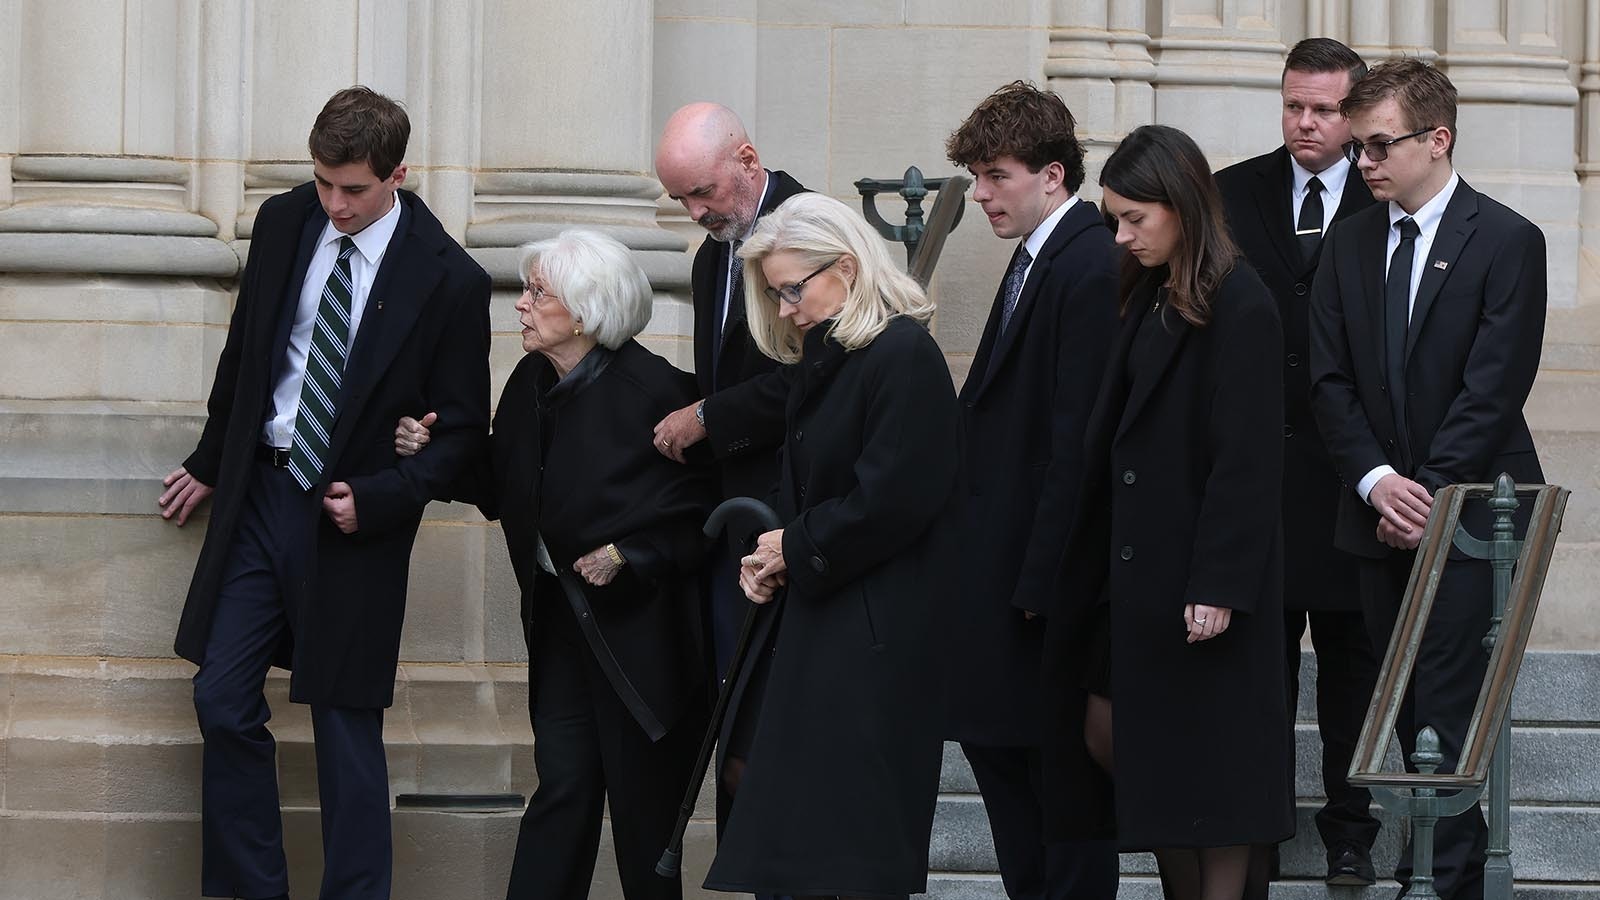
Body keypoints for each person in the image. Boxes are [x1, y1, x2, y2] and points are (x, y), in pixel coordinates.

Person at [157, 86, 491, 900]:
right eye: (323, 184)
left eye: (354, 190)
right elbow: (245, 357)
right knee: (220, 697)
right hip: (262, 497)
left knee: (346, 729)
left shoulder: (449, 280)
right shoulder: (283, 223)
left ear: (397, 176)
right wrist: (208, 460)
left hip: (350, 521)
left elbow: (460, 438)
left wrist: (378, 498)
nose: (335, 205)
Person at [395, 229, 716, 899]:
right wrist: (433, 450)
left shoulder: (654, 391)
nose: (521, 304)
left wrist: (631, 554)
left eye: (538, 292)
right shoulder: (531, 381)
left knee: (642, 817)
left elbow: (702, 515)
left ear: (586, 307)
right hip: (564, 625)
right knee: (564, 790)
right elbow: (502, 483)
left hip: (642, 644)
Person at [1309, 59, 1546, 899]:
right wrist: (1378, 482)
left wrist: (1427, 497)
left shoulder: (1509, 239)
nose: (1363, 162)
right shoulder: (1351, 238)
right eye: (1358, 147)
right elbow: (1328, 378)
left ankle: (1448, 882)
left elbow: (1494, 386)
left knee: (1448, 700)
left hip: (1477, 519)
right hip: (1377, 513)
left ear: (1436, 140)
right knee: (1398, 703)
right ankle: (1430, 868)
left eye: (1378, 146)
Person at [1040, 124, 1293, 900]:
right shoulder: (1147, 290)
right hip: (1139, 581)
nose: (1119, 235)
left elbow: (1245, 460)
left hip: (1199, 584)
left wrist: (1217, 584)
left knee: (1212, 777)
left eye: (1133, 219)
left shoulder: (1241, 301)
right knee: (1135, 751)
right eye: (1114, 218)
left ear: (1181, 207)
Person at [704, 193, 958, 900]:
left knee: (846, 846)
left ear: (845, 267)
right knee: (777, 809)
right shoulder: (833, 356)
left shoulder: (903, 355)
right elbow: (807, 488)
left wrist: (797, 545)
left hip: (873, 634)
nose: (784, 309)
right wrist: (769, 555)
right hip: (822, 616)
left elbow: (894, 499)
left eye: (791, 289)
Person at [941, 80, 1121, 899]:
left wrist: (1040, 588)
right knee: (1011, 784)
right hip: (999, 582)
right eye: (977, 177)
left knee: (1059, 804)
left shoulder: (1087, 261)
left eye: (996, 175)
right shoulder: (1036, 259)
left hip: (1038, 595)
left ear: (1052, 175)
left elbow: (1074, 443)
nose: (980, 195)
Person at [1214, 37, 1381, 888]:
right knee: (1258, 676)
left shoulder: (1388, 196)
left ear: (1353, 114)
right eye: (1293, 105)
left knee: (1353, 670)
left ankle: (1352, 833)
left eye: (1322, 109)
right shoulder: (1230, 192)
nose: (1305, 122)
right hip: (1260, 481)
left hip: (1352, 479)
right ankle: (1260, 832)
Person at [651, 102, 808, 677]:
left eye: (702, 192)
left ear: (747, 160)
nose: (695, 213)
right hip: (734, 512)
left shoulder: (810, 231)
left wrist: (709, 416)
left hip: (793, 508)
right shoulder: (712, 254)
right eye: (679, 200)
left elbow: (816, 373)